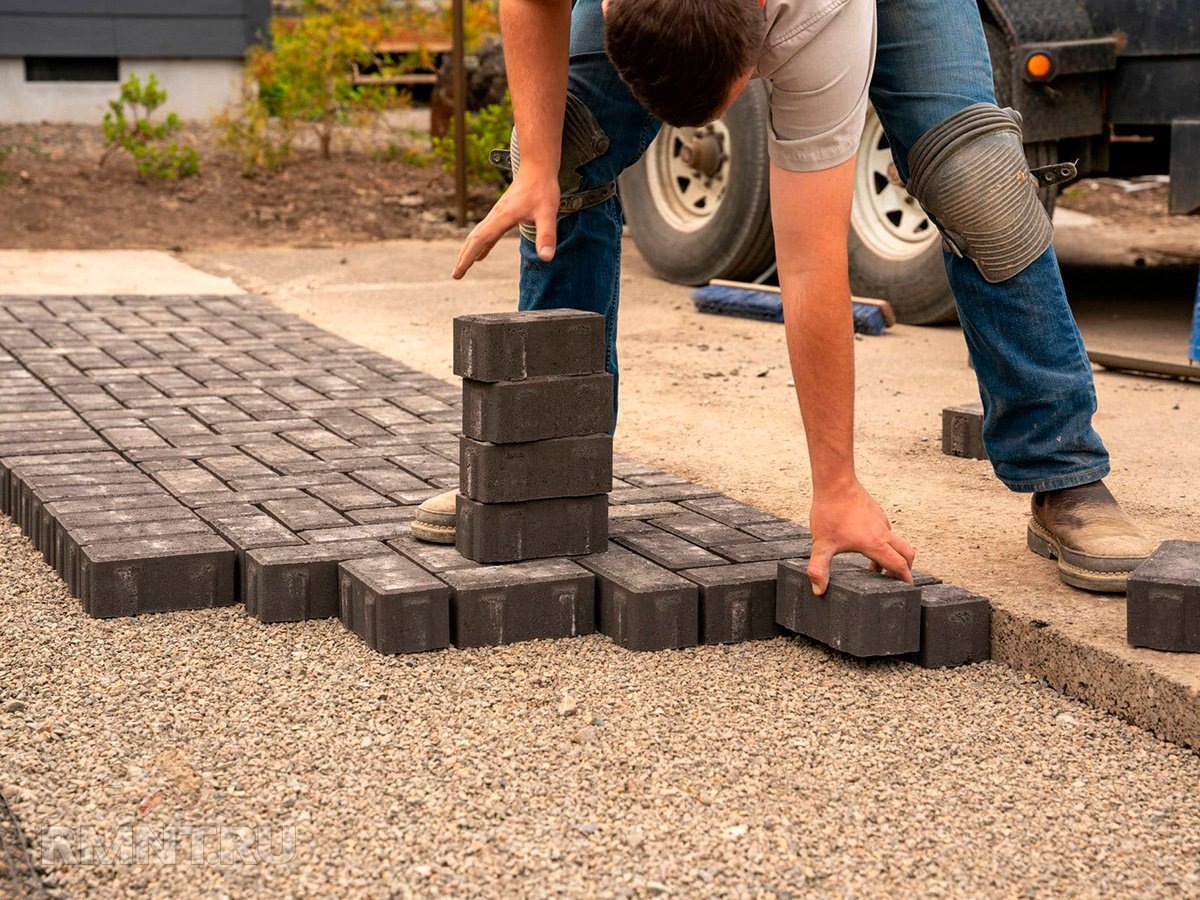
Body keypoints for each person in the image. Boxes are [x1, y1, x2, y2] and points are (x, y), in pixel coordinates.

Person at [412, 0, 1155, 594]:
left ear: (757, 57)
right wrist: (538, 164)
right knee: (564, 158)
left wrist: (837, 488)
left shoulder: (821, 19)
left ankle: (1065, 474)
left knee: (976, 182)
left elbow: (810, 265)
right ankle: (548, 467)